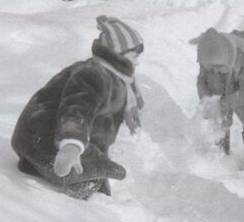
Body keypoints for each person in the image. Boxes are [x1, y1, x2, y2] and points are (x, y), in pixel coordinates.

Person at [10, 15, 145, 200]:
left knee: (98, 170)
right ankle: (80, 197)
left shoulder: (115, 76)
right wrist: (71, 146)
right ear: (118, 54)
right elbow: (76, 110)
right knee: (93, 178)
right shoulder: (93, 74)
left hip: (60, 141)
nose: (137, 62)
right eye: (134, 56)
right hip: (45, 138)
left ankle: (45, 166)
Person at [194, 27, 244, 170]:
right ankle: (221, 155)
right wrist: (207, 100)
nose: (215, 70)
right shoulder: (208, 53)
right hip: (229, 63)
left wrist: (223, 104)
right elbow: (202, 81)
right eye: (211, 67)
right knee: (216, 97)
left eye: (219, 68)